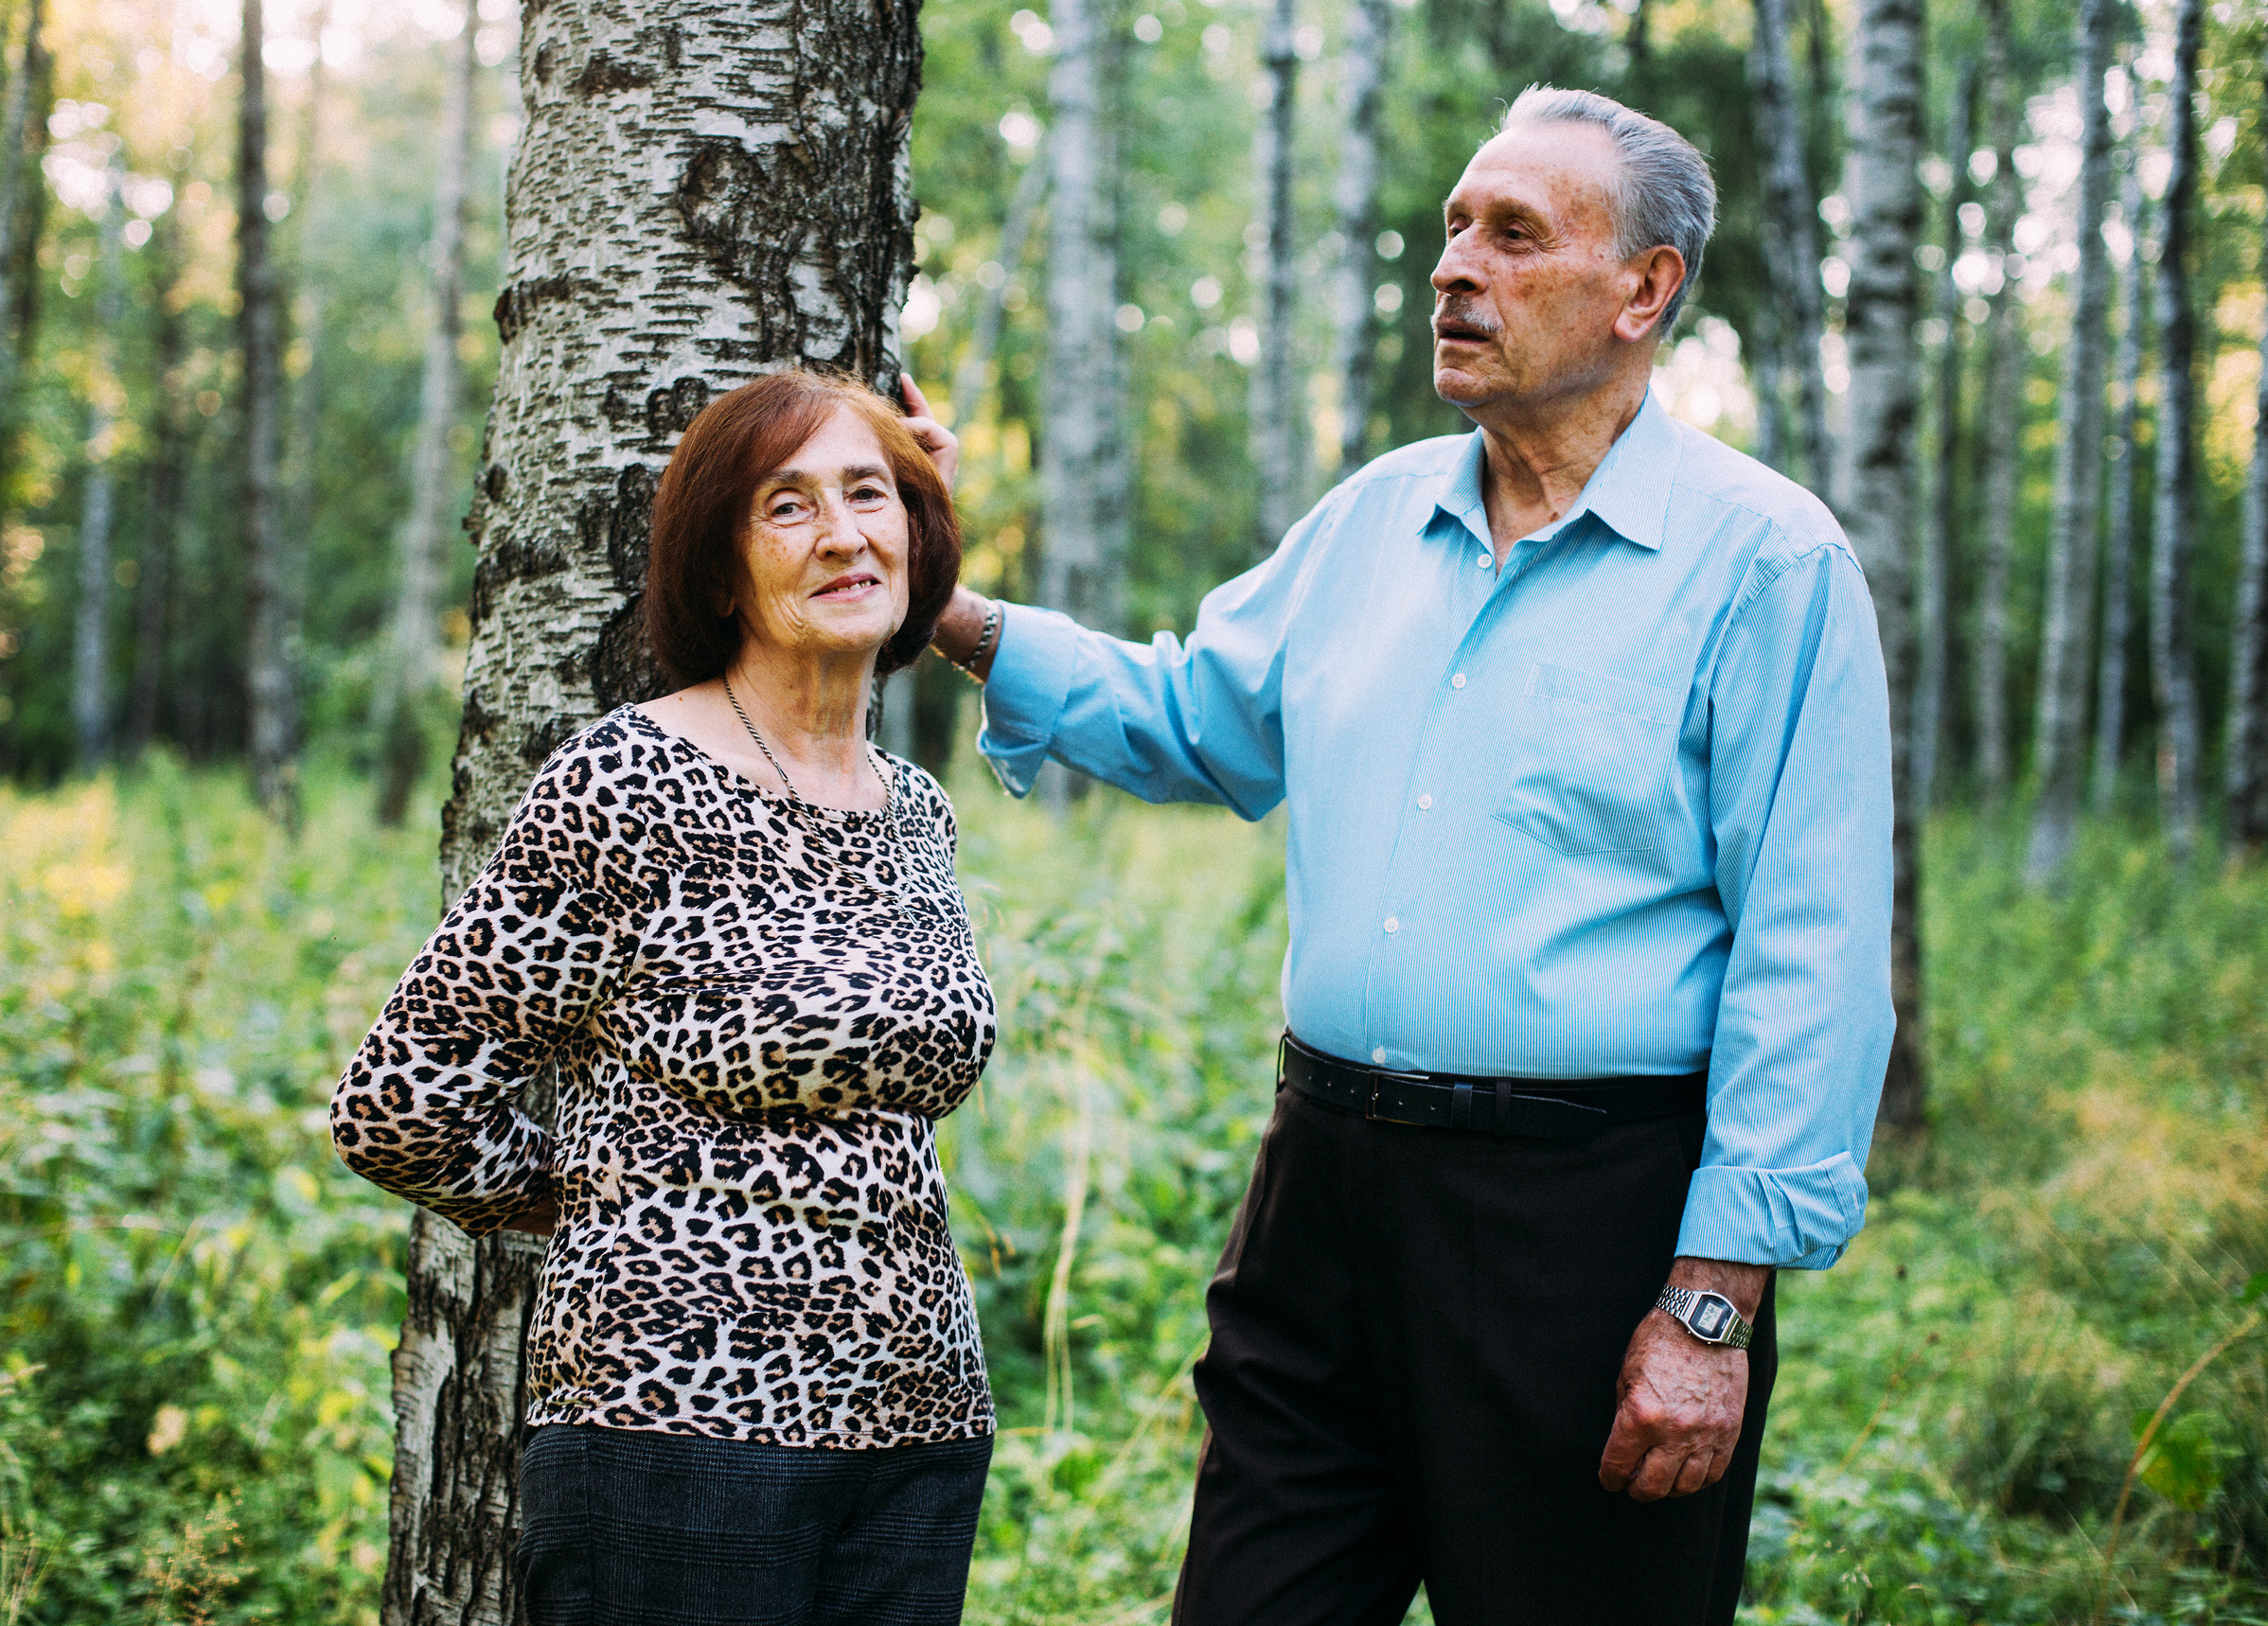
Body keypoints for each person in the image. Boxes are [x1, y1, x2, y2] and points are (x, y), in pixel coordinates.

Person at [924, 86, 1895, 1625]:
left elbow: (1813, 953)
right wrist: (944, 604)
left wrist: (1710, 1306)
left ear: (1646, 291)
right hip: (1323, 1196)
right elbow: (1196, 717)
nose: (1455, 266)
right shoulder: (1375, 519)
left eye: (1515, 234)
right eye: (1455, 226)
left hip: (1584, 1226)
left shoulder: (1768, 562)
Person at [330, 368, 995, 1626]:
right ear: (719, 567)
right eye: (787, 508)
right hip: (678, 1427)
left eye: (872, 494)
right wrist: (612, 1201)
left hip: (918, 1425)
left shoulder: (916, 810)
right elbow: (399, 1104)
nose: (846, 532)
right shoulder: (630, 781)